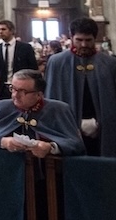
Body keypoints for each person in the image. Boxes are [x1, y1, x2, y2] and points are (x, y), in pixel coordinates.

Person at [44, 17, 116, 157]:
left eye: (88, 40)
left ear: (95, 38)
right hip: (68, 128)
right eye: (79, 40)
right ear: (71, 37)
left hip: (102, 128)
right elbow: (51, 97)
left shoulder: (110, 64)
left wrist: (98, 121)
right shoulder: (56, 62)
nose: (83, 44)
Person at [0, 69, 85, 157]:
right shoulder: (0, 107)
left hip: (49, 174)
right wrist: (3, 142)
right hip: (6, 172)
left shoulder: (59, 109)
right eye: (13, 89)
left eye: (22, 91)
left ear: (39, 95)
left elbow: (75, 144)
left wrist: (51, 147)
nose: (15, 95)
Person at [0, 20, 38, 99]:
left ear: (12, 31)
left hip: (22, 86)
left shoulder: (25, 48)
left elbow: (33, 68)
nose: (0, 32)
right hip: (3, 88)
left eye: (3, 29)